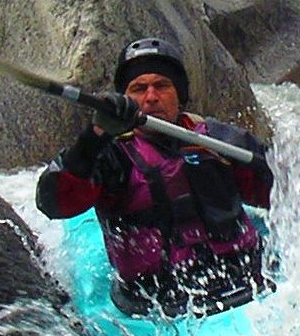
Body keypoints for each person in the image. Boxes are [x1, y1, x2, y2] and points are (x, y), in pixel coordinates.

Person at [35, 37, 273, 318]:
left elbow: (286, 194)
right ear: (125, 99)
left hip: (250, 285)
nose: (150, 97)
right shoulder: (110, 157)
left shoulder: (220, 140)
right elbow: (53, 203)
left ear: (179, 94)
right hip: (158, 306)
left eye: (162, 85)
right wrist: (94, 138)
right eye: (138, 89)